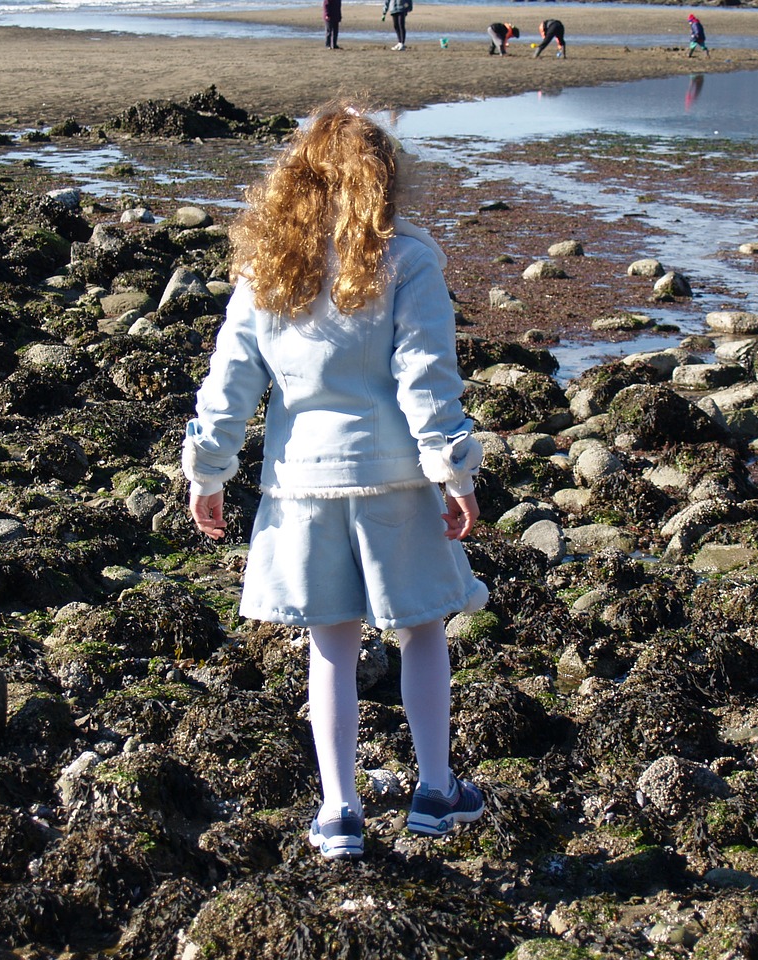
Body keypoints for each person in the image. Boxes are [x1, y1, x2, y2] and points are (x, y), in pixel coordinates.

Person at [184, 103, 489, 862]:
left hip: (300, 487)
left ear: (297, 177)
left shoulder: (267, 265)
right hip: (392, 482)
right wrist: (453, 471)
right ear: (383, 177)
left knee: (331, 648)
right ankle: (435, 790)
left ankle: (339, 812)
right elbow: (426, 379)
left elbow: (229, 384)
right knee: (422, 629)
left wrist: (208, 471)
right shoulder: (408, 258)